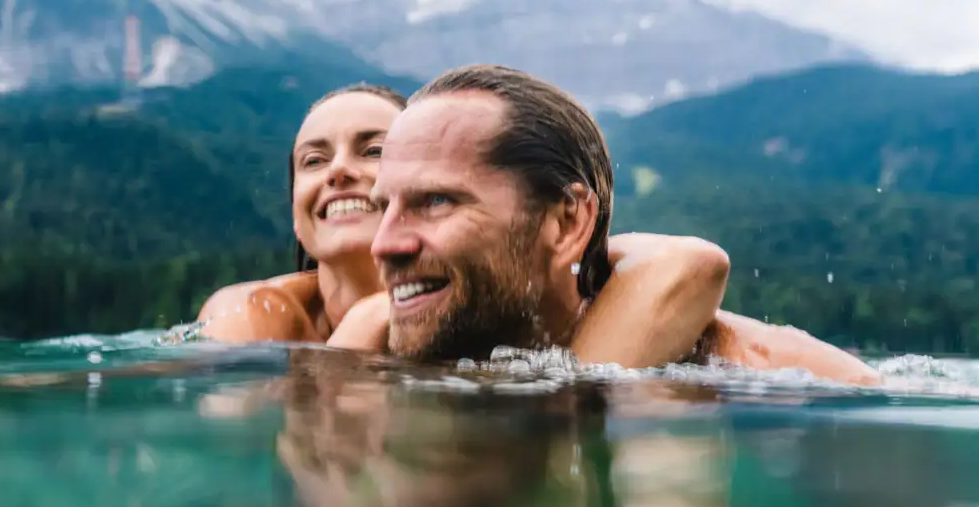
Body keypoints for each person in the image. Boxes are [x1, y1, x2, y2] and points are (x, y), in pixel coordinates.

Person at [360, 64, 879, 384]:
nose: (384, 245)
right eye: (384, 207)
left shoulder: (745, 372)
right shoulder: (389, 332)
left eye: (436, 201)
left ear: (566, 223)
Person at [191, 81, 733, 364]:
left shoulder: (468, 304)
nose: (339, 172)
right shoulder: (257, 313)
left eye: (373, 150)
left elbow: (682, 262)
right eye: (312, 160)